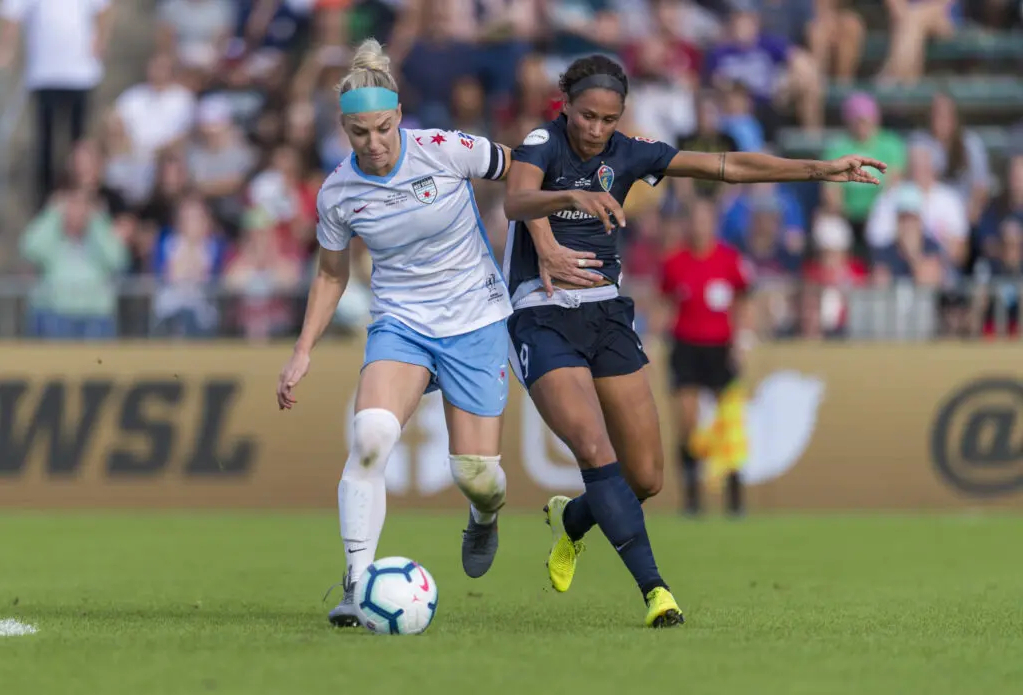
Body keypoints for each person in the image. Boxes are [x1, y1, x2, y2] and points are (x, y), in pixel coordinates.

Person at [502, 54, 885, 628]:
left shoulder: (628, 152)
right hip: (542, 314)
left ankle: (575, 520)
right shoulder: (542, 140)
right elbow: (516, 200)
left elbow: (727, 166)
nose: (595, 130)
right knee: (592, 448)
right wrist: (569, 199)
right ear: (566, 104)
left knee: (647, 479)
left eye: (609, 119)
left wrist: (819, 170)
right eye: (586, 116)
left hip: (606, 314)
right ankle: (657, 591)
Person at [276, 38, 519, 628]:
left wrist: (551, 234)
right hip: (402, 324)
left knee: (477, 476)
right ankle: (358, 587)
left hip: (474, 319)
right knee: (370, 440)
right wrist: (303, 348)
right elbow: (332, 272)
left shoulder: (444, 149)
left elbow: (521, 168)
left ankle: (483, 518)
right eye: (359, 133)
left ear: (400, 117)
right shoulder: (337, 193)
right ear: (344, 128)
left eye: (383, 128)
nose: (374, 143)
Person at [660, 196, 754, 517]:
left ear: (714, 223)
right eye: (694, 219)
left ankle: (735, 495)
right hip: (686, 346)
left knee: (728, 422)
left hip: (720, 347)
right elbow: (663, 302)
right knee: (686, 420)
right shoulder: (675, 263)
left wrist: (742, 340)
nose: (700, 226)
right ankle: (692, 496)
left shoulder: (729, 260)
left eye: (705, 219)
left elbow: (744, 299)